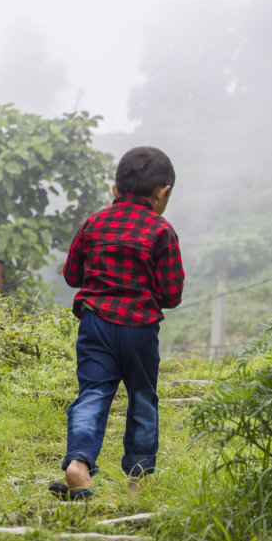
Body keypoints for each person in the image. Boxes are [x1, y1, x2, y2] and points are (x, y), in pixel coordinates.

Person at [50, 146, 185, 500]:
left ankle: (78, 463)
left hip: (96, 326)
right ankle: (138, 480)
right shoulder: (162, 231)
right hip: (140, 331)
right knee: (142, 398)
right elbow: (172, 295)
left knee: (92, 394)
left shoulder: (93, 223)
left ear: (114, 190)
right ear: (163, 193)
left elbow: (72, 275)